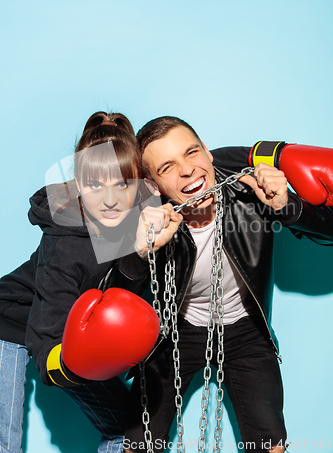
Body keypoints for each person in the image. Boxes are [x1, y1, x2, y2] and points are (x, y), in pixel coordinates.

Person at [124, 116, 333, 453]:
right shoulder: (145, 217)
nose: (187, 170)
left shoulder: (250, 191)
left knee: (270, 445)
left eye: (192, 153)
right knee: (137, 443)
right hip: (177, 330)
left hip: (246, 329)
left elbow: (330, 232)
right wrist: (139, 251)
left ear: (208, 153)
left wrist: (286, 206)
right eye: (167, 167)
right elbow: (113, 291)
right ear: (153, 185)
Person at [0, 111, 182, 453]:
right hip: (10, 323)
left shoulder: (146, 211)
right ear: (79, 185)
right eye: (95, 185)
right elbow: (45, 338)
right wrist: (79, 361)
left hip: (71, 324)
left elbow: (197, 171)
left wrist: (264, 157)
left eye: (122, 184)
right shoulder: (67, 247)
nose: (110, 199)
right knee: (2, 441)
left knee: (130, 428)